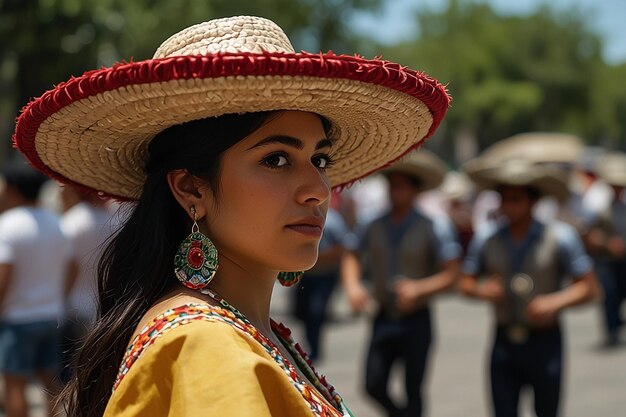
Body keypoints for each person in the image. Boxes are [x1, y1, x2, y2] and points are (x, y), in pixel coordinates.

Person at [12, 15, 450, 417]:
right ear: (191, 188)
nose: (318, 191)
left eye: (319, 160)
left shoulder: (240, 329)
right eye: (276, 160)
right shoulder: (204, 345)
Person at [458, 160, 600, 417]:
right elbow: (465, 282)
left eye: (516, 199)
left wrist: (555, 302)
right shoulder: (487, 238)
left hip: (545, 341)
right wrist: (482, 291)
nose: (508, 206)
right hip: (504, 340)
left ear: (533, 202)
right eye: (504, 199)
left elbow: (590, 288)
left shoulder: (560, 237)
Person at [342, 150, 462, 417]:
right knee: (373, 383)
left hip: (416, 318)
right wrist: (353, 285)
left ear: (414, 191)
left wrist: (421, 288)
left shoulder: (434, 226)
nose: (395, 192)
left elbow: (452, 274)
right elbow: (351, 253)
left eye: (401, 186)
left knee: (413, 389)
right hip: (384, 314)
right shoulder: (373, 223)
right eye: (392, 185)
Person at [0, 165, 72, 417]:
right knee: (50, 383)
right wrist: (59, 298)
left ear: (12, 189)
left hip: (18, 316)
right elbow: (71, 266)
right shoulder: (55, 222)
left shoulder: (8, 225)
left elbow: (3, 276)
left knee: (14, 383)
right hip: (51, 314)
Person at [58, 185, 115, 382]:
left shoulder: (72, 221)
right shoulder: (111, 220)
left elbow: (69, 267)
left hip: (74, 304)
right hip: (102, 302)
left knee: (69, 370)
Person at [292, 202, 354, 362]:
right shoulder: (297, 214)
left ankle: (315, 350)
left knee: (316, 312)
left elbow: (343, 248)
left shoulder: (333, 220)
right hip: (306, 274)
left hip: (325, 274)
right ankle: (309, 347)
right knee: (301, 311)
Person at [584, 152, 626, 347]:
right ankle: (611, 329)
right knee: (609, 294)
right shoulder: (598, 206)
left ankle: (617, 323)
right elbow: (590, 234)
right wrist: (608, 244)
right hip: (606, 259)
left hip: (623, 261)